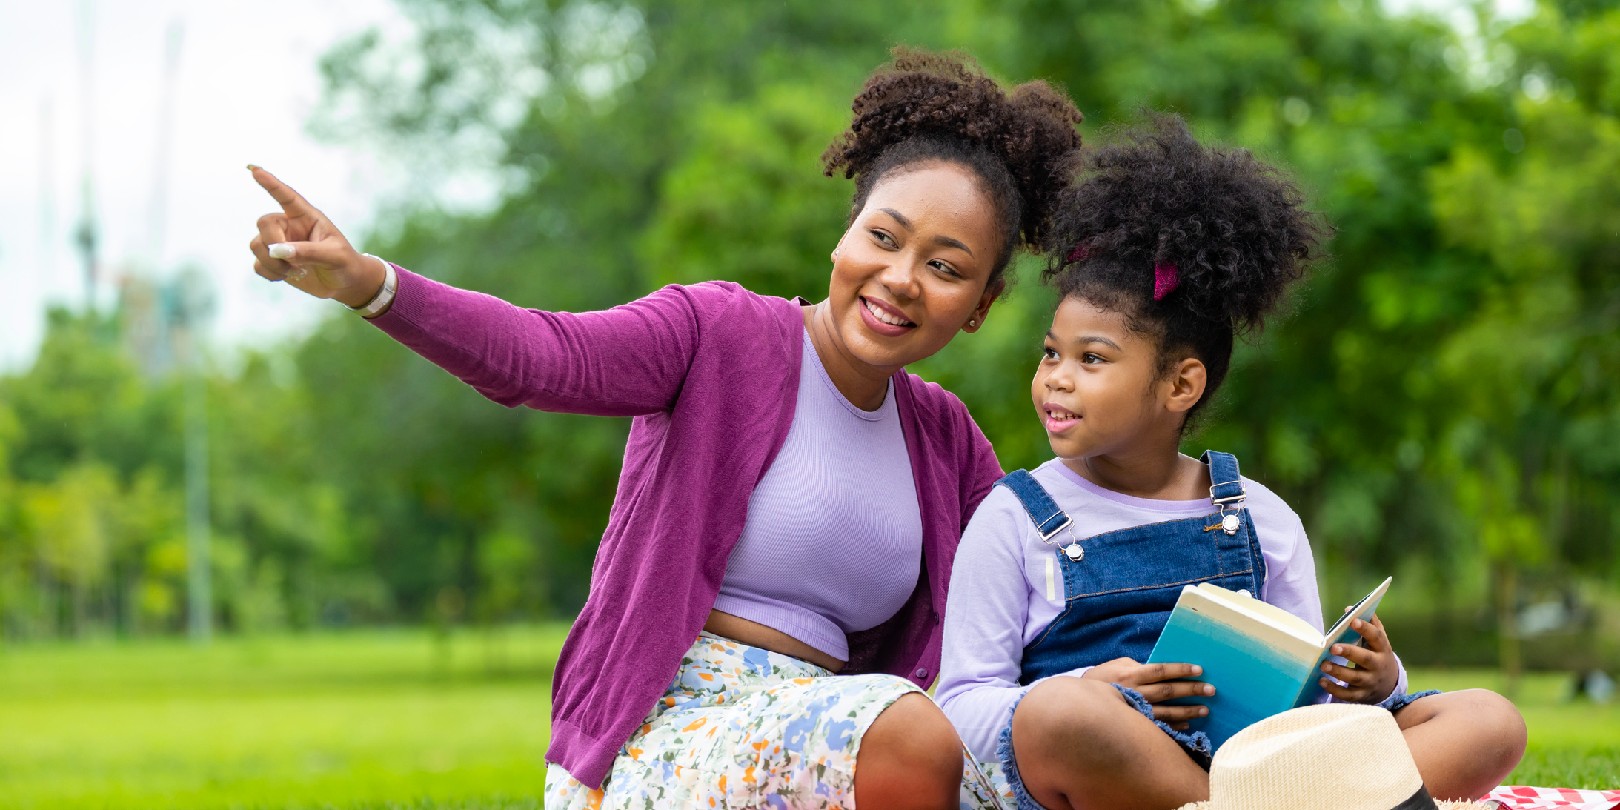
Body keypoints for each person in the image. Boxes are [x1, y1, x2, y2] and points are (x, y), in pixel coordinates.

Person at [247, 49, 1083, 809]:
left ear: (980, 307)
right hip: (668, 733)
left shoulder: (944, 439)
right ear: (846, 232)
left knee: (1044, 756)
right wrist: (370, 285)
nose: (900, 279)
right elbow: (543, 355)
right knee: (905, 732)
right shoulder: (720, 334)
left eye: (944, 268)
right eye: (884, 238)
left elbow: (1034, 597)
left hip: (846, 734)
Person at [934, 114, 1527, 810]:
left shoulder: (1258, 515)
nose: (1056, 378)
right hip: (1118, 765)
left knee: (1489, 719)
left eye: (1091, 358)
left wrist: (1376, 683)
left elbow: (1307, 704)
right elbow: (961, 708)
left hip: (1269, 761)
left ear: (1180, 385)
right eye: (1051, 352)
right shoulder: (1017, 516)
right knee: (1062, 719)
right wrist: (1086, 687)